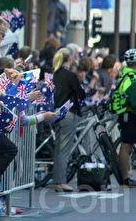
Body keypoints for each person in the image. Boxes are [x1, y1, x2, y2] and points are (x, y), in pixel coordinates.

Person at [52, 48, 86, 192]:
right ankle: (61, 182)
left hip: (55, 113)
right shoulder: (70, 75)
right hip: (69, 113)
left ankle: (58, 181)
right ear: (69, 59)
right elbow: (81, 94)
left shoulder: (53, 75)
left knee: (59, 148)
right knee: (64, 149)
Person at [110, 49, 136, 187]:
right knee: (126, 146)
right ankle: (125, 178)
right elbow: (134, 100)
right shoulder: (131, 77)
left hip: (126, 114)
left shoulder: (124, 74)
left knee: (127, 145)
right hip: (129, 115)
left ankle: (125, 177)